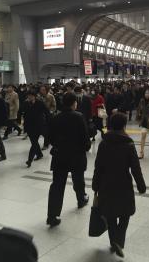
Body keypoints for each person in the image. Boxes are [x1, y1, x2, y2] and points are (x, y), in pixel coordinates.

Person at [92, 113, 146, 258]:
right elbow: (135, 168)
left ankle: (113, 240)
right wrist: (141, 185)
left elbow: (98, 166)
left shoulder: (104, 143)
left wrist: (95, 185)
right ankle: (119, 241)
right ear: (123, 125)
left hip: (106, 183)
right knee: (125, 213)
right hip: (123, 183)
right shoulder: (128, 144)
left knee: (110, 214)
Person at [47, 93, 91, 227]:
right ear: (74, 103)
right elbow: (85, 137)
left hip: (59, 156)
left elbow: (50, 137)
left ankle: (52, 216)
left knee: (57, 185)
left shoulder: (56, 117)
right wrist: (86, 147)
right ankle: (81, 199)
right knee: (78, 179)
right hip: (76, 155)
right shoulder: (78, 117)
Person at [23, 90, 49, 168]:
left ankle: (29, 160)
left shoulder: (40, 103)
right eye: (28, 96)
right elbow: (25, 115)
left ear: (35, 96)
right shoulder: (26, 103)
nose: (30, 97)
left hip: (39, 125)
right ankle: (39, 154)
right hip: (29, 126)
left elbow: (47, 112)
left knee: (34, 143)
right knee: (34, 142)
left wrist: (49, 123)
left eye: (31, 96)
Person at [39, 85, 56, 150]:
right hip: (41, 115)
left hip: (49, 116)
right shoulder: (39, 97)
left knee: (47, 130)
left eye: (43, 89)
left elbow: (54, 106)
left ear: (47, 90)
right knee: (43, 131)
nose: (42, 91)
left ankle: (46, 144)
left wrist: (50, 112)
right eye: (41, 89)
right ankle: (49, 140)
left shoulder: (51, 96)